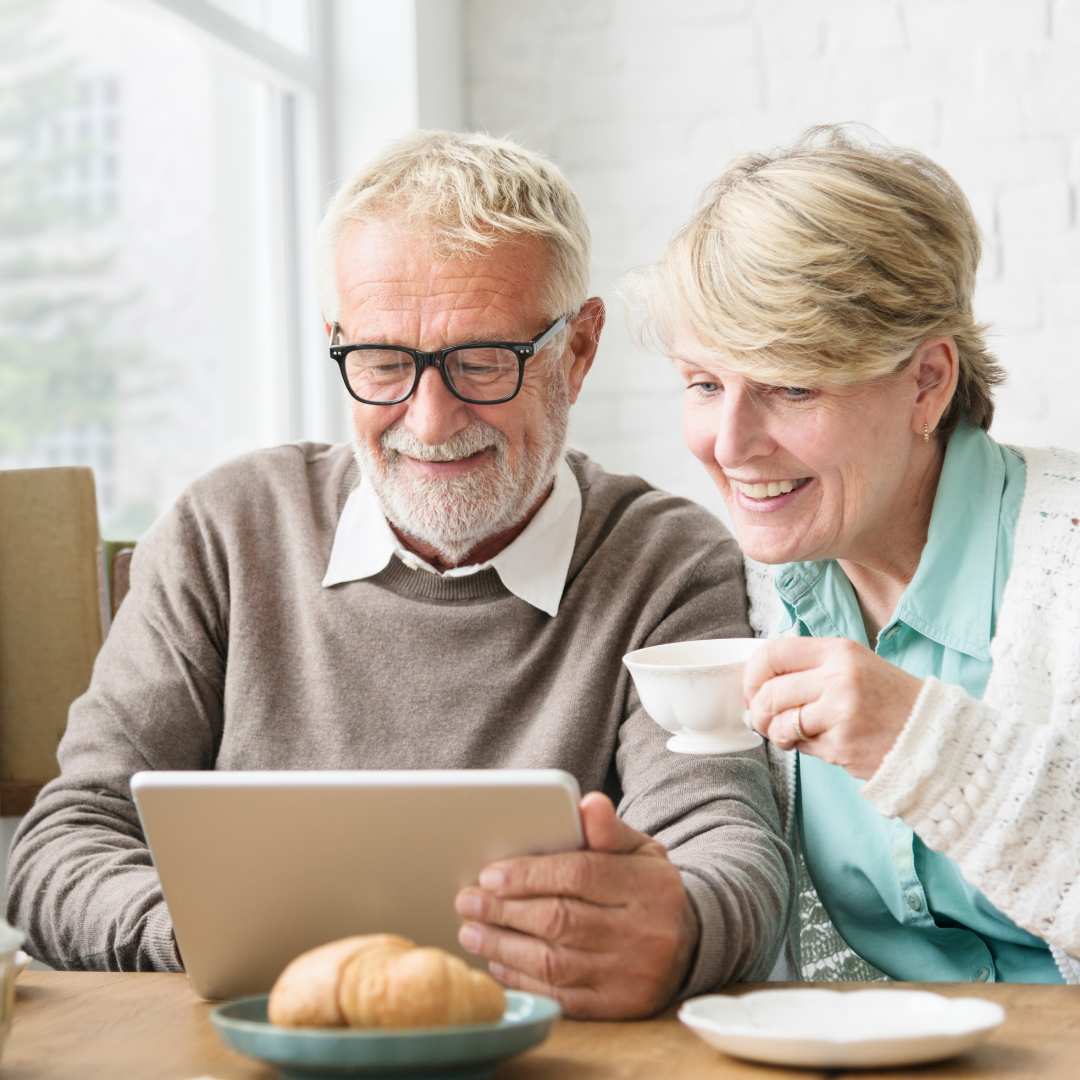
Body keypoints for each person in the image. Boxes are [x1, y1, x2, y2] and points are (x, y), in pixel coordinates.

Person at [5, 131, 794, 1018]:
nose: (428, 418)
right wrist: (214, 937)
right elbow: (62, 848)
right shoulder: (225, 530)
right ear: (336, 343)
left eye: (483, 361)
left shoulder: (667, 561)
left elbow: (727, 852)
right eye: (383, 363)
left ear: (576, 350)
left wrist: (680, 930)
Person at [629, 124, 1080, 984]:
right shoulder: (749, 596)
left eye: (792, 386)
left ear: (928, 382)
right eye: (704, 384)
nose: (729, 445)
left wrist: (922, 744)